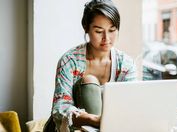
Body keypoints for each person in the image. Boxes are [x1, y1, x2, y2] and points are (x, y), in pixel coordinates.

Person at [44, 0, 137, 131]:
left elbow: (130, 105)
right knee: (89, 80)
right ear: (86, 28)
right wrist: (94, 120)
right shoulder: (69, 61)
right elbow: (60, 109)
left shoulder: (126, 64)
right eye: (99, 31)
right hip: (69, 129)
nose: (107, 38)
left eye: (112, 30)